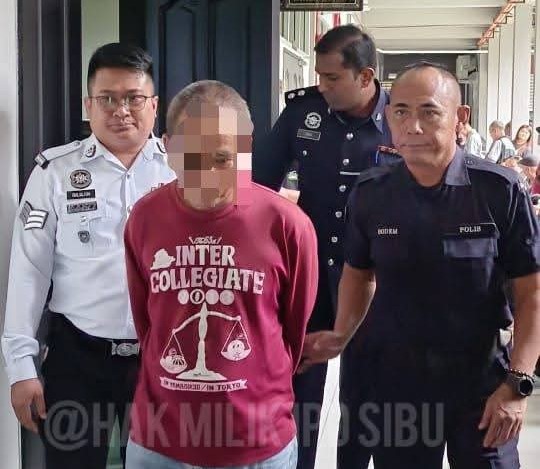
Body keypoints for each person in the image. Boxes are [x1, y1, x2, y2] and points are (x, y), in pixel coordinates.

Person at [302, 62, 540, 468]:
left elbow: (531, 293)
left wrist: (518, 383)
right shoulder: (372, 193)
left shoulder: (498, 190)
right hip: (400, 386)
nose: (412, 126)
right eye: (401, 112)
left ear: (459, 116)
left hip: (481, 384)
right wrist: (342, 335)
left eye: (429, 112)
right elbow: (359, 274)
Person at [123, 80, 318, 468]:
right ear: (168, 147)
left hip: (256, 442)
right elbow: (148, 322)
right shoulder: (145, 218)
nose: (207, 173)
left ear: (246, 150)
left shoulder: (286, 225)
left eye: (222, 159)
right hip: (160, 442)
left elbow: (293, 332)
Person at [1, 43, 176, 468]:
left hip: (164, 359)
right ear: (88, 105)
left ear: (154, 105)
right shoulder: (55, 173)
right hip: (77, 358)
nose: (122, 111)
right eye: (107, 99)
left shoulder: (181, 170)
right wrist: (21, 367)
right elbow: (29, 272)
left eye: (134, 98)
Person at [253, 24, 398, 469]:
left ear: (366, 76)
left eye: (332, 78)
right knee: (301, 386)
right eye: (319, 76)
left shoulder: (400, 119)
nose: (322, 86)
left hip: (376, 279)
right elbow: (258, 184)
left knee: (366, 391)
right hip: (308, 274)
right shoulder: (303, 113)